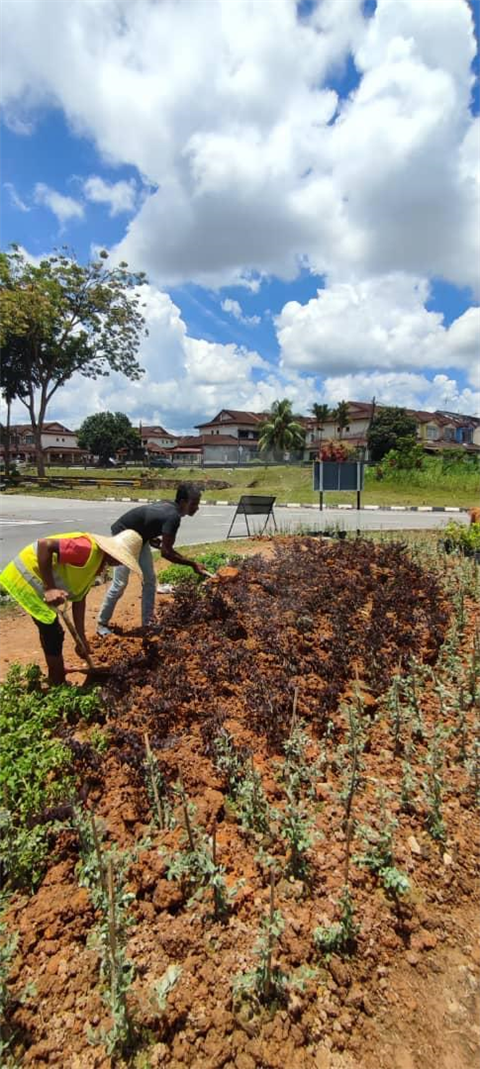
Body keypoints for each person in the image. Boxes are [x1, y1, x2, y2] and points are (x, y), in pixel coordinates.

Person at [0, 528, 143, 685]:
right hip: (26, 578)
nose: (121, 563)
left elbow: (79, 599)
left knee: (51, 631)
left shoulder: (97, 564)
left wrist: (81, 639)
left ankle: (57, 669)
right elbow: (44, 545)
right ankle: (57, 681)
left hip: (38, 585)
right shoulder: (87, 549)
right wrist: (50, 588)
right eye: (122, 558)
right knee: (53, 633)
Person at [97, 482, 210, 635]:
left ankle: (148, 623)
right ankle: (102, 624)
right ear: (183, 502)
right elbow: (167, 553)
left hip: (139, 538)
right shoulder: (173, 517)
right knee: (120, 583)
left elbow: (147, 520)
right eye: (194, 504)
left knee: (149, 580)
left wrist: (149, 537)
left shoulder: (169, 506)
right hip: (122, 536)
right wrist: (193, 564)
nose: (197, 508)